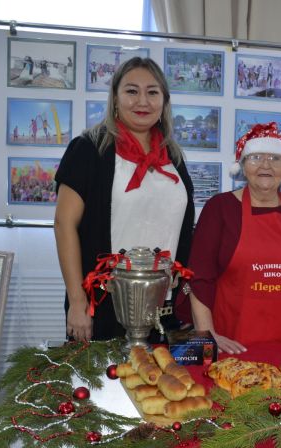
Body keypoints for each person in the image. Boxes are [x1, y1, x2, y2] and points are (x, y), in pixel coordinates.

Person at [54, 56, 195, 341]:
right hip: (103, 306)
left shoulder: (173, 157)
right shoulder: (89, 149)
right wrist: (78, 302)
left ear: (164, 102)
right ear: (115, 99)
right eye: (132, 91)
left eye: (152, 92)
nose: (142, 101)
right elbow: (63, 224)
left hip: (162, 310)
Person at [185, 123, 281, 354]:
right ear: (243, 165)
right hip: (232, 347)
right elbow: (200, 278)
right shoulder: (220, 208)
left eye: (275, 157)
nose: (266, 165)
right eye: (255, 157)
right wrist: (207, 334)